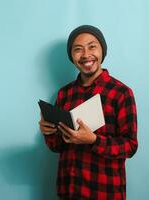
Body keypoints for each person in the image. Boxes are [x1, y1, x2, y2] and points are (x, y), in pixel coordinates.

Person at [39, 25, 138, 200]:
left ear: (102, 51)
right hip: (69, 189)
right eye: (78, 49)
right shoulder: (64, 94)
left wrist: (93, 140)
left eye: (92, 46)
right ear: (72, 56)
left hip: (104, 191)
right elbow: (57, 147)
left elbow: (130, 146)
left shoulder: (121, 92)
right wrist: (49, 132)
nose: (85, 55)